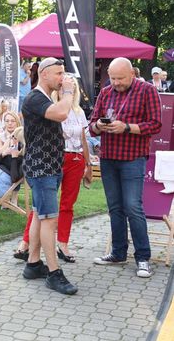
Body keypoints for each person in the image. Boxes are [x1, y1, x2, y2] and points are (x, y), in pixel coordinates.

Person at [90, 57, 162, 278]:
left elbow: (156, 124)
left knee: (133, 207)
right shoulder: (105, 92)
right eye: (112, 78)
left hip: (133, 158)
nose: (116, 82)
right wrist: (99, 125)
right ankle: (118, 253)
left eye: (120, 78)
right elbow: (92, 126)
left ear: (132, 74)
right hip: (108, 158)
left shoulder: (147, 90)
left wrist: (127, 127)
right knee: (115, 208)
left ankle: (143, 258)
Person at [14, 81, 92, 263]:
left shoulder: (79, 112)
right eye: (65, 87)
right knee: (42, 203)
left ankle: (63, 244)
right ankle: (26, 243)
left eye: (72, 88)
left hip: (75, 158)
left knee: (67, 204)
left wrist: (88, 163)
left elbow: (83, 139)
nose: (69, 90)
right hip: (54, 158)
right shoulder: (50, 107)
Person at [21, 57, 78, 295]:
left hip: (48, 167)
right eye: (58, 73)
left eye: (63, 74)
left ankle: (33, 264)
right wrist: (68, 92)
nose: (62, 78)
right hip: (42, 169)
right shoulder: (35, 97)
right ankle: (54, 273)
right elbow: (62, 113)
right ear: (44, 74)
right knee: (49, 221)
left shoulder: (44, 98)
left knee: (39, 216)